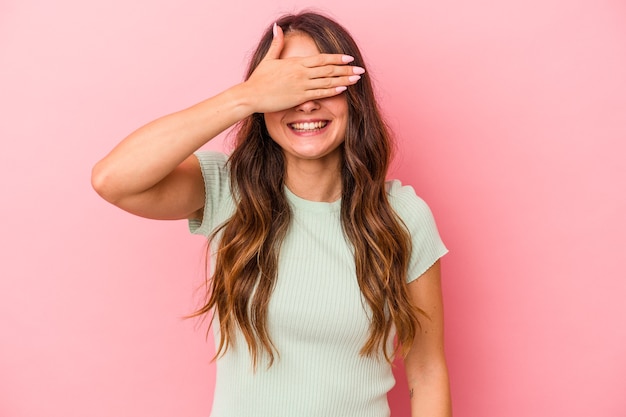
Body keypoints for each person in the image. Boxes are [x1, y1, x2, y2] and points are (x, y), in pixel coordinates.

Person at [92, 11, 452, 417]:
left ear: (354, 97)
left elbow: (426, 372)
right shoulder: (229, 191)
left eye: (323, 80)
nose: (307, 101)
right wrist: (244, 97)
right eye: (288, 85)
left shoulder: (403, 217)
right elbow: (113, 179)